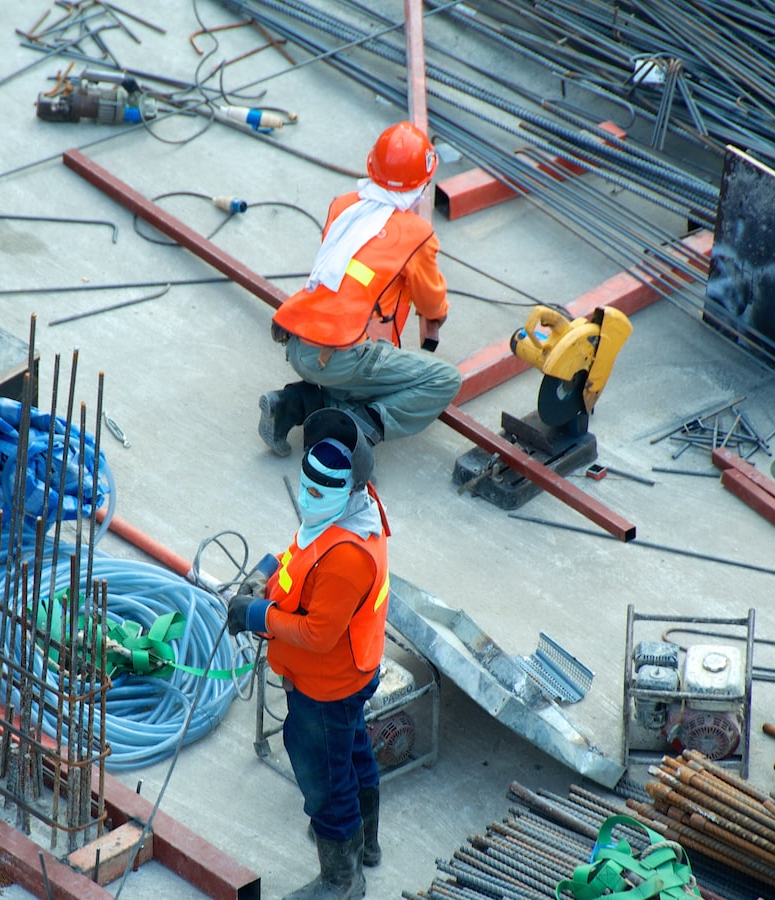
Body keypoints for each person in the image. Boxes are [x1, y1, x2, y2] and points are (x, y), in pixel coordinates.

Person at [227, 409, 391, 900]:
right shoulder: (349, 513)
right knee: (353, 748)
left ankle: (343, 879)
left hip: (325, 685)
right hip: (351, 674)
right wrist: (266, 572)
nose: (307, 497)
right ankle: (365, 846)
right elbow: (302, 557)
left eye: (320, 493)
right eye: (306, 486)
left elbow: (318, 634)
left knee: (325, 780)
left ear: (349, 490)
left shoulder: (347, 556)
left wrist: (256, 616)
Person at [259, 121, 462, 457]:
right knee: (442, 379)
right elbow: (430, 301)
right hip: (339, 355)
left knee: (362, 374)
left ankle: (290, 405)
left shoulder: (345, 205)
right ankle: (358, 429)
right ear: (423, 183)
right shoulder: (416, 233)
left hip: (298, 340)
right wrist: (437, 315)